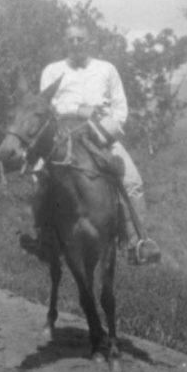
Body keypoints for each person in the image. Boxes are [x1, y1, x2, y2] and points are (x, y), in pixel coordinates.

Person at [29, 23, 161, 265]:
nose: (76, 43)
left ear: (89, 41)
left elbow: (120, 109)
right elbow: (45, 107)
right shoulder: (52, 71)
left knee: (132, 181)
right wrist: (79, 110)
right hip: (63, 134)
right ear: (65, 42)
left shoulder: (106, 69)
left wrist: (105, 127)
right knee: (39, 176)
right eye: (71, 39)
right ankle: (44, 238)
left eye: (81, 39)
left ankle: (138, 242)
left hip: (100, 133)